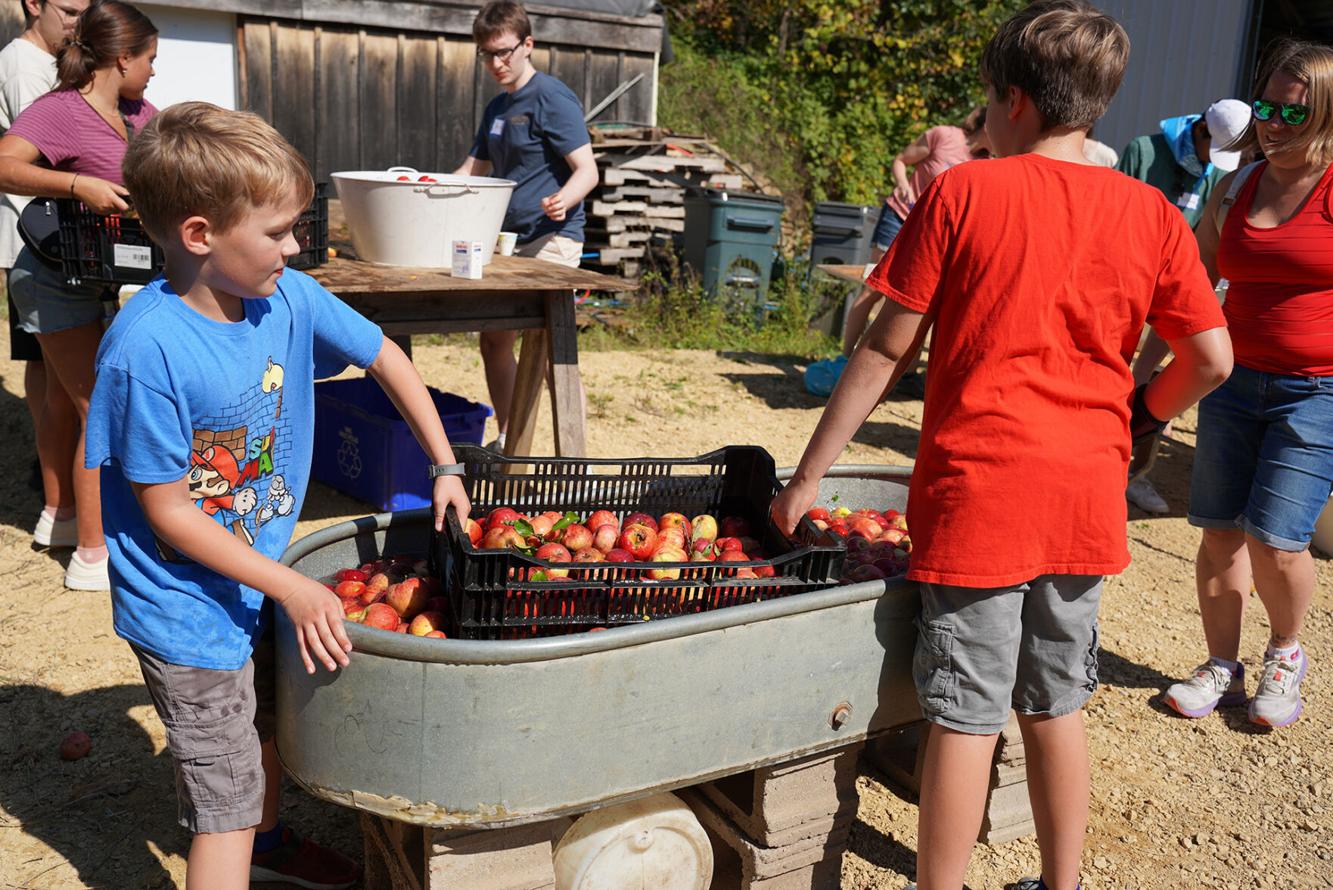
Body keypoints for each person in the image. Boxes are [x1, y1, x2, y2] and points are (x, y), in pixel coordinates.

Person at [770, 3, 1232, 889]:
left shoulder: (961, 192)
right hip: (1083, 497)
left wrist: (806, 479)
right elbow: (1211, 359)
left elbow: (881, 347)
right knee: (1056, 705)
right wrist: (1140, 414)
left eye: (983, 105)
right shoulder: (1152, 214)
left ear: (1011, 103)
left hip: (978, 495)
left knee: (964, 716)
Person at [87, 100, 472, 889]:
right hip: (182, 608)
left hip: (254, 578)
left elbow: (387, 358)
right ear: (199, 235)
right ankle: (240, 846)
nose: (296, 246)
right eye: (277, 231)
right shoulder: (145, 352)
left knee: (260, 724)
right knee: (222, 805)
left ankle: (265, 849)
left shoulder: (286, 296)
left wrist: (445, 465)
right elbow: (167, 511)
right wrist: (293, 586)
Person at [1162, 39, 1333, 729]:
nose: (1272, 123)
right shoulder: (1233, 186)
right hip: (1232, 383)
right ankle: (1220, 666)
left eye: (1294, 113)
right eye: (1265, 106)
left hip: (1315, 392)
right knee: (1217, 533)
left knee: (1277, 539)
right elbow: (1193, 282)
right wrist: (1161, 369)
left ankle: (1284, 656)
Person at [0, 0, 157, 590]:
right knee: (99, 408)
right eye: (150, 59)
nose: (153, 72)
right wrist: (76, 184)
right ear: (122, 57)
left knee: (69, 403)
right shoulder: (59, 111)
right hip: (48, 278)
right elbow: (3, 165)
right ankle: (94, 557)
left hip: (94, 277)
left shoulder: (139, 112)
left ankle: (61, 519)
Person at [453, 0, 597, 452]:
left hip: (553, 240)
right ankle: (510, 442)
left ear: (527, 44)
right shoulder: (497, 106)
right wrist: (424, 187)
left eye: (504, 52)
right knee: (494, 340)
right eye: (487, 54)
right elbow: (472, 168)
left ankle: (578, 460)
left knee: (552, 354)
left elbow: (587, 171)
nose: (496, 63)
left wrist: (564, 200)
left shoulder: (552, 97)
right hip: (507, 242)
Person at [1117, 98, 1251, 513]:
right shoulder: (1144, 151)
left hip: (1172, 290)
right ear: (1200, 132)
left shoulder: (1215, 174)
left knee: (1157, 389)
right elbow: (1117, 217)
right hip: (1126, 289)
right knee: (1114, 378)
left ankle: (1136, 474)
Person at [0, 0, 89, 510]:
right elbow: (53, 144)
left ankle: (55, 475)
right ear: (35, 4)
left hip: (47, 240)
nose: (79, 21)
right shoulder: (22, 65)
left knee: (49, 368)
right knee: (50, 369)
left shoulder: (48, 62)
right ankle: (52, 470)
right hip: (31, 241)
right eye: (71, 10)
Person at [844, 107, 990, 358]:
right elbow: (901, 160)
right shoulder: (943, 136)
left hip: (930, 232)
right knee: (873, 289)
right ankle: (845, 358)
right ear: (988, 123)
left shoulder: (986, 163)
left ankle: (905, 371)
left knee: (915, 299)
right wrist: (903, 185)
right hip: (899, 217)